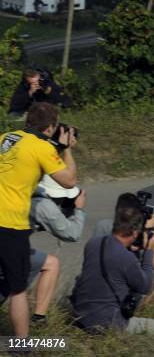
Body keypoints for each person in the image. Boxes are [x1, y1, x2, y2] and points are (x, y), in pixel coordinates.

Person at [0, 102, 77, 337]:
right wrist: (67, 149)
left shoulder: (5, 137)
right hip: (10, 224)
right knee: (18, 290)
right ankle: (21, 346)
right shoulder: (42, 147)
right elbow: (69, 181)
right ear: (51, 127)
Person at [71, 204, 154, 334]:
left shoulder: (93, 243)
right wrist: (148, 250)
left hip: (81, 317)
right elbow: (145, 287)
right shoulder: (126, 258)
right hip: (109, 324)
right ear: (134, 233)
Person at [28, 175, 87, 324]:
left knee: (49, 263)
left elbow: (56, 221)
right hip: (9, 248)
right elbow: (71, 234)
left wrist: (67, 207)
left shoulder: (28, 193)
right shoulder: (44, 205)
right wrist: (78, 209)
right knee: (51, 265)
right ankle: (38, 319)